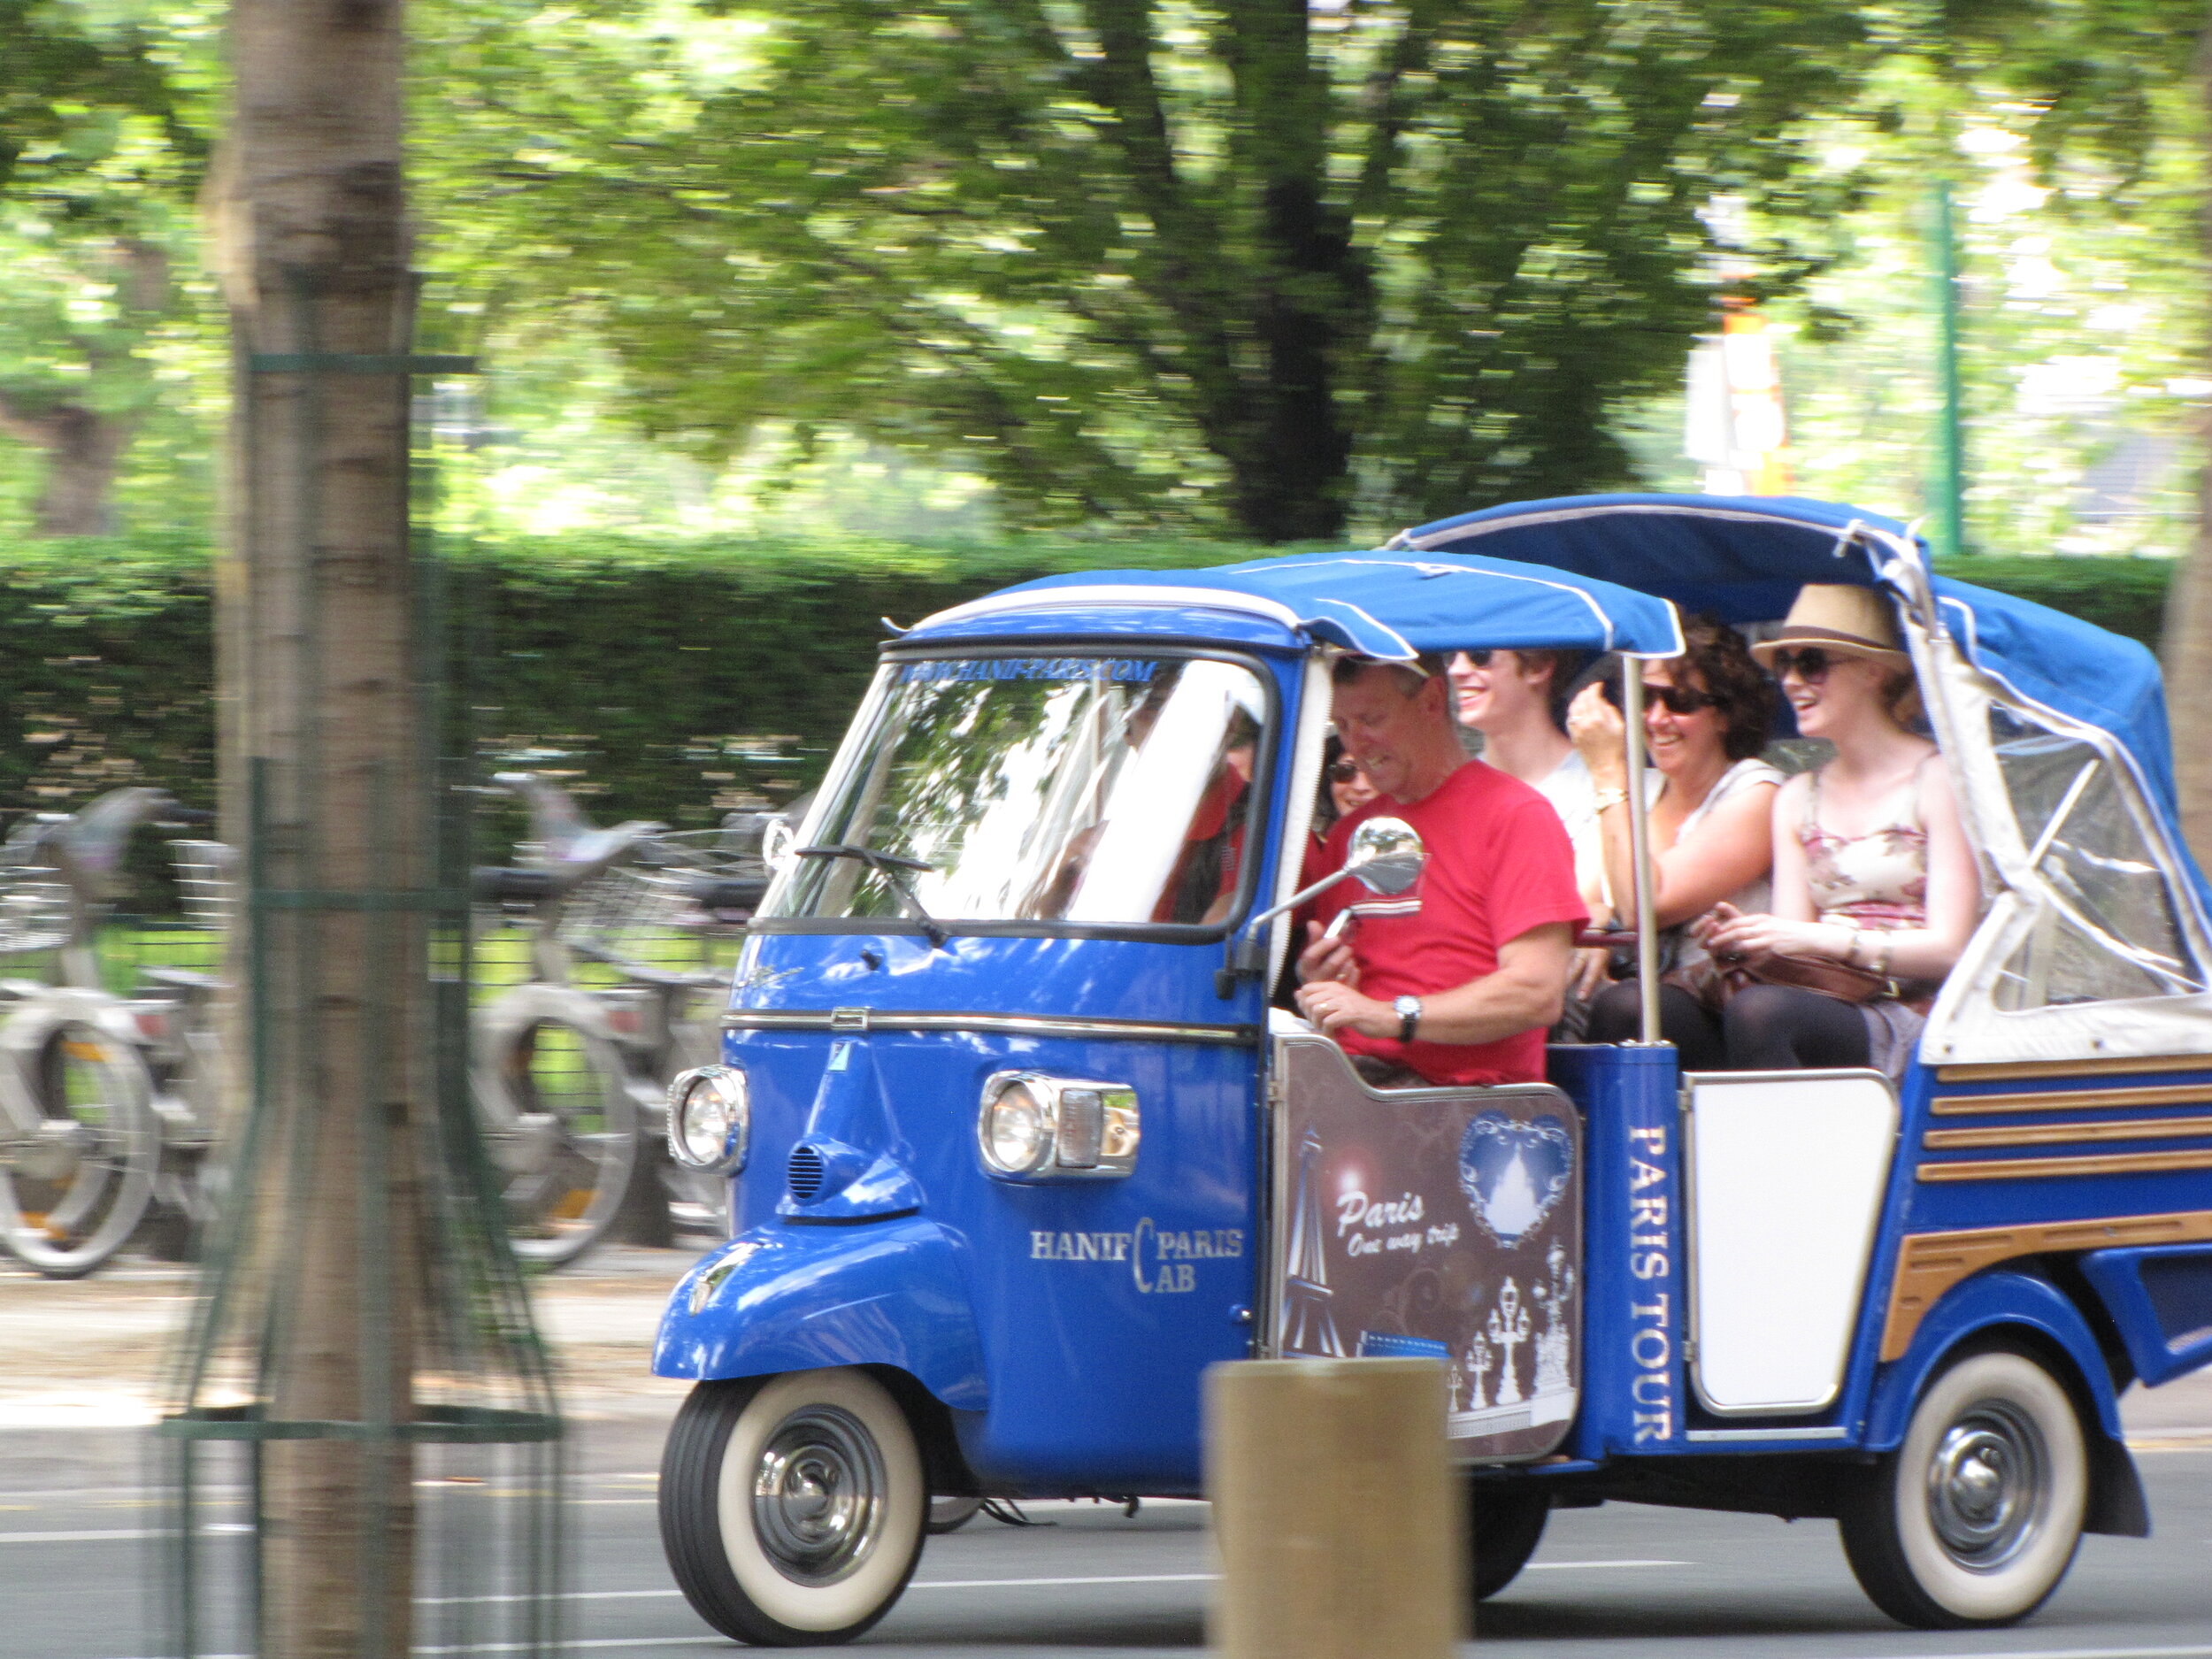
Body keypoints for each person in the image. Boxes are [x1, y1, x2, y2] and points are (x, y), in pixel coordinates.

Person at [1701, 585, 1980, 1077]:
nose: (1791, 682)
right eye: (1784, 665)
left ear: (1874, 671)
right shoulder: (1796, 797)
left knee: (1760, 1013)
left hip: (1918, 1011)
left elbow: (1950, 948)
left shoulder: (1938, 780)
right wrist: (1750, 937)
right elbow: (1795, 949)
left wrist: (1826, 940)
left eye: (1811, 664)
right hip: (1828, 997)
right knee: (1651, 1008)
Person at [1293, 655, 1586, 1087]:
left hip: (1464, 1094)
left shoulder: (1516, 816)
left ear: (1432, 700)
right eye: (1344, 725)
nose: (1357, 744)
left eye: (1371, 719)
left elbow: (1536, 992)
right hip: (1350, 1077)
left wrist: (1391, 1016)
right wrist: (1322, 981)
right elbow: (1349, 983)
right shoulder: (1349, 834)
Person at [1562, 618, 1783, 1069]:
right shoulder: (1639, 791)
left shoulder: (1757, 792)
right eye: (1645, 699)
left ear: (1724, 713)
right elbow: (1575, 903)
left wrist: (1607, 770)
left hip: (1717, 1013)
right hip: (1628, 1002)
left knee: (1629, 1006)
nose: (1656, 719)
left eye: (1679, 702)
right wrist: (1598, 916)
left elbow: (1647, 906)